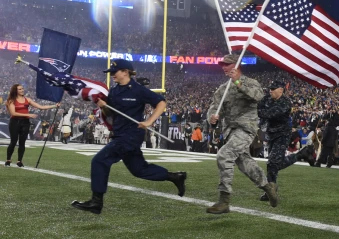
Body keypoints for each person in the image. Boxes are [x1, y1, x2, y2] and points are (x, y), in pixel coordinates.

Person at [71, 59, 187, 214]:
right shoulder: (114, 91)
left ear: (125, 72)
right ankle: (175, 177)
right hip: (120, 134)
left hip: (131, 135)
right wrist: (103, 107)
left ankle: (96, 202)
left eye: (114, 72)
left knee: (99, 160)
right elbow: (110, 114)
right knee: (139, 170)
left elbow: (161, 103)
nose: (112, 75)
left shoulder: (138, 90)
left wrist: (149, 121)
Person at [207, 55, 279, 212]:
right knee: (245, 163)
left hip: (246, 128)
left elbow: (259, 97)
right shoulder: (222, 89)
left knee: (224, 155)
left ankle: (224, 200)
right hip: (230, 131)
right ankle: (268, 187)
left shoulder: (251, 83)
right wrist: (212, 118)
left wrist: (238, 83)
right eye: (222, 65)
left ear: (237, 65)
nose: (224, 67)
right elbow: (214, 107)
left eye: (227, 64)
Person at [258, 79, 313, 202]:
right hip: (271, 133)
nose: (270, 91)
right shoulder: (268, 98)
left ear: (281, 90)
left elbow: (269, 114)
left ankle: (299, 156)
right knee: (273, 163)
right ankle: (270, 191)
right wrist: (261, 111)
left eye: (273, 89)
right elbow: (259, 107)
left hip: (282, 134)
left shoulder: (285, 103)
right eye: (270, 89)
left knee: (272, 162)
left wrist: (261, 112)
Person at [5, 84, 59, 167]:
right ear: (15, 91)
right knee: (13, 141)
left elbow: (41, 107)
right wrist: (28, 114)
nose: (22, 90)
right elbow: (13, 113)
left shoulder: (27, 99)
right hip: (15, 122)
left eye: (22, 88)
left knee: (22, 142)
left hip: (25, 123)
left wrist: (55, 105)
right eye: (20, 89)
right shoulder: (11, 100)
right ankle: (8, 159)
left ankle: (19, 161)